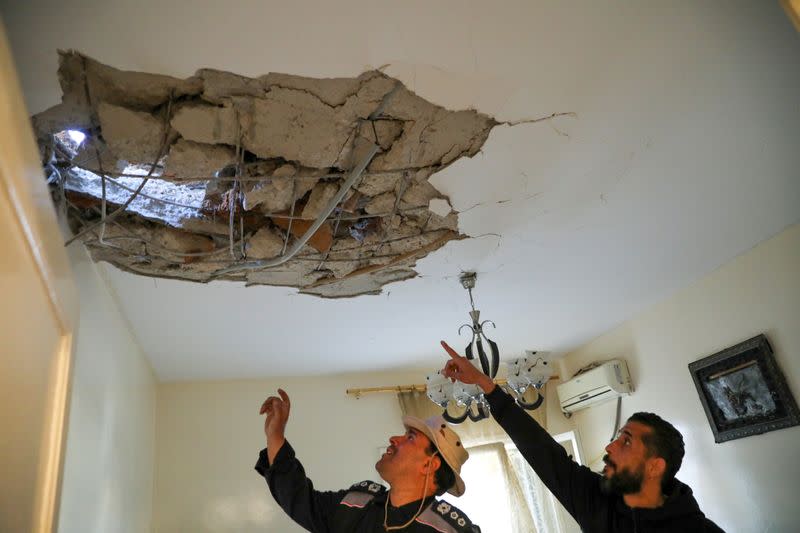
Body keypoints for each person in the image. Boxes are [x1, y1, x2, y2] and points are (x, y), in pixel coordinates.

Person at [440, 341, 724, 533]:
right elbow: (543, 451)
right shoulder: (598, 501)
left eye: (626, 441)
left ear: (655, 466)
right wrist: (485, 384)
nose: (609, 446)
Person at [255, 388, 480, 532]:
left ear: (429, 464)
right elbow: (300, 500)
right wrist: (275, 435)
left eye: (410, 437)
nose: (394, 438)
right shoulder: (357, 502)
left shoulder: (449, 529)